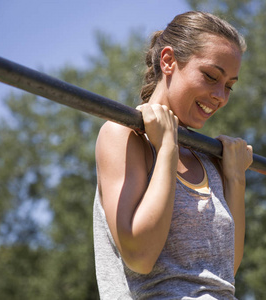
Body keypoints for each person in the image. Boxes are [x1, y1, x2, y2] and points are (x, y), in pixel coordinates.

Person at [93, 11, 253, 299]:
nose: (220, 95)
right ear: (168, 61)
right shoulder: (123, 135)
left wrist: (236, 179)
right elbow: (140, 256)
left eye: (229, 85)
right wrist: (167, 147)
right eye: (211, 76)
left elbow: (225, 271)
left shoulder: (208, 157)